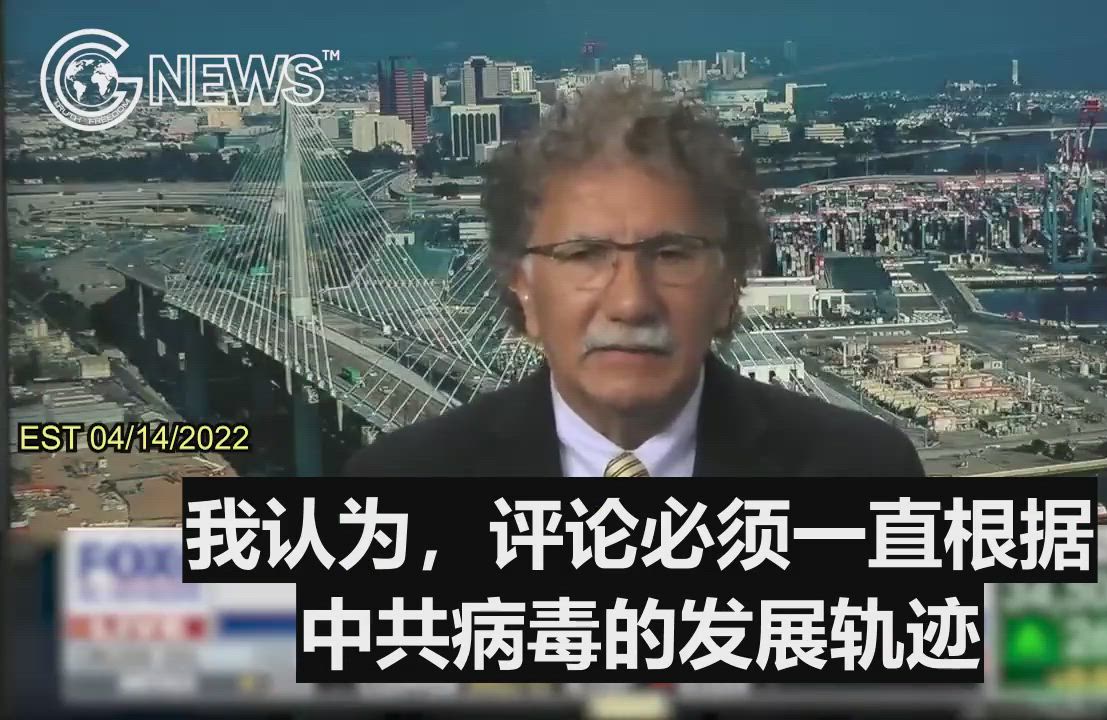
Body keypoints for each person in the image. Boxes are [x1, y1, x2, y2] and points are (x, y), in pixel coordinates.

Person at [345, 78, 924, 478]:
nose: (630, 302)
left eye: (671, 254)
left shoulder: (863, 472)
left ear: (729, 288)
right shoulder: (399, 481)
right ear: (524, 290)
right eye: (583, 255)